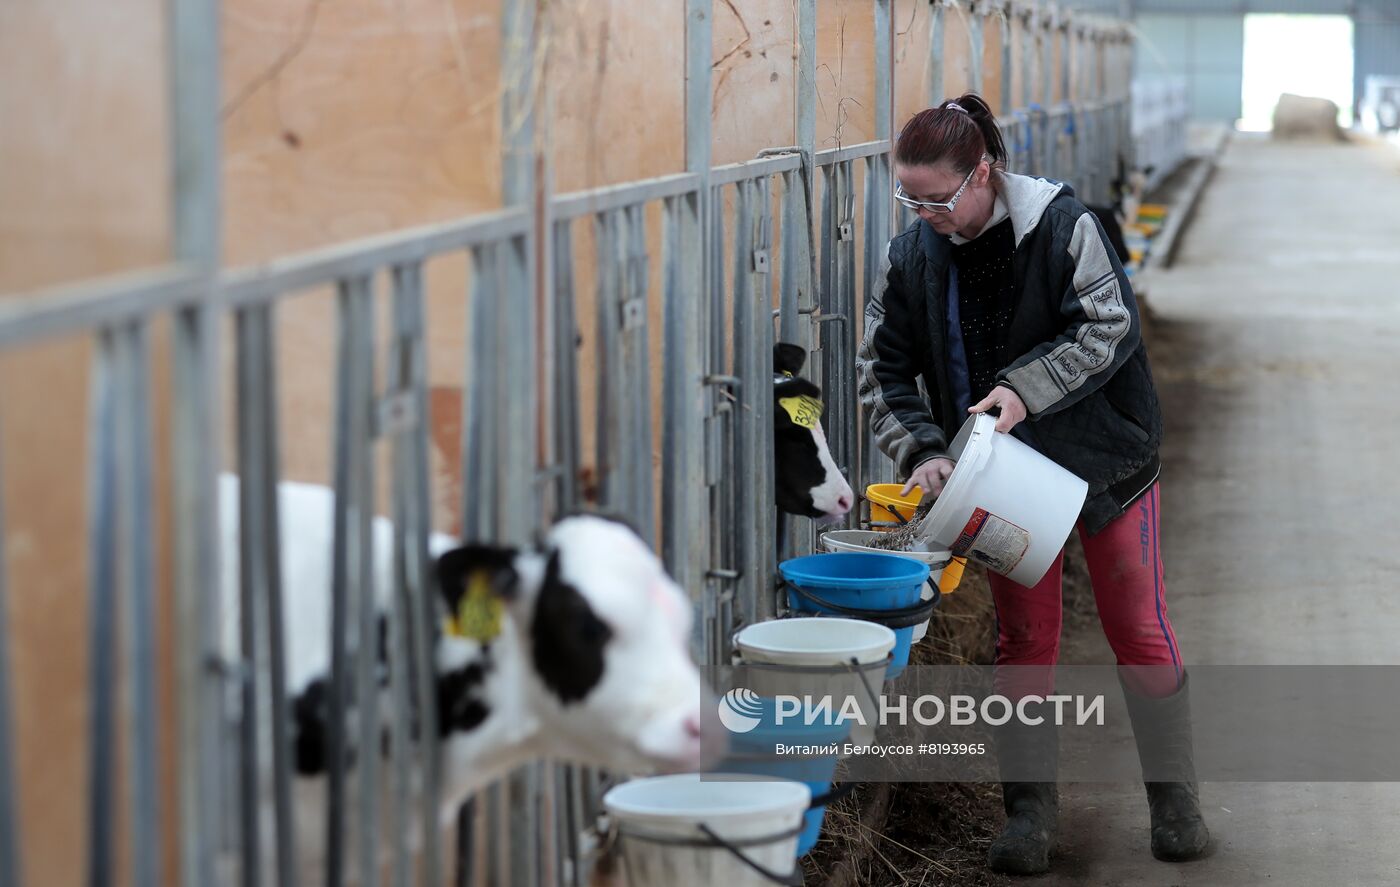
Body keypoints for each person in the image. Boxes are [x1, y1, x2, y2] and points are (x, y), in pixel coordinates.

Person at [856, 94, 1210, 875]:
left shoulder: (1061, 226)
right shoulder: (912, 255)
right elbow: (878, 370)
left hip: (1105, 455)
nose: (925, 213)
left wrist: (1022, 390)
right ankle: (1029, 815)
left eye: (938, 198)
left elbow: (1109, 326)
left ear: (983, 173)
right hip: (1001, 478)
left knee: (1136, 625)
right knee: (1023, 639)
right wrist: (921, 451)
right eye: (908, 197)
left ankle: (1176, 799)